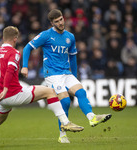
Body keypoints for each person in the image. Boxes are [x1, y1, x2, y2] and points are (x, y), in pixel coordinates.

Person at [0, 26, 84, 148]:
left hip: (1, 98)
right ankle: (65, 122)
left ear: (3, 38)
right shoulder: (15, 52)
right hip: (14, 93)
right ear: (15, 39)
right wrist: (6, 88)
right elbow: (10, 69)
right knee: (50, 91)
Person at [21, 9, 112, 144]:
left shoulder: (70, 37)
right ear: (52, 23)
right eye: (57, 21)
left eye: (61, 19)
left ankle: (92, 118)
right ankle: (62, 135)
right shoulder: (46, 35)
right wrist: (25, 66)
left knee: (81, 92)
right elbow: (28, 48)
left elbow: (73, 58)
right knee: (65, 102)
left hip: (66, 73)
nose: (60, 22)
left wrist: (74, 77)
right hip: (52, 74)